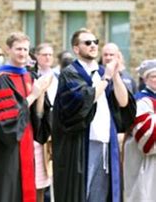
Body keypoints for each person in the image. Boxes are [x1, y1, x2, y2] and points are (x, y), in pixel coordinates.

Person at [52, 28, 136, 202]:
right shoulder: (70, 73)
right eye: (87, 43)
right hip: (83, 142)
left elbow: (123, 102)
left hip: (106, 142)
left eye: (95, 42)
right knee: (83, 193)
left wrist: (116, 75)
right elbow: (83, 101)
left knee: (101, 195)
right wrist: (106, 78)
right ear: (76, 48)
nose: (93, 46)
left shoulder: (101, 71)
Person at [0, 32, 52, 202]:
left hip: (27, 145)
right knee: (7, 193)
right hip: (7, 150)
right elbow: (5, 124)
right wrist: (33, 95)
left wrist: (41, 94)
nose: (22, 53)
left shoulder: (29, 76)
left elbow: (38, 118)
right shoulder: (1, 79)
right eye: (18, 49)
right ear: (8, 50)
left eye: (25, 49)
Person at [124, 59, 156, 201]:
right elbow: (146, 136)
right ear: (145, 79)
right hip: (143, 156)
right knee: (143, 191)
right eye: (153, 76)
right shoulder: (141, 100)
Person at [34, 43, 57, 202]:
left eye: (50, 54)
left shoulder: (59, 76)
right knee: (41, 171)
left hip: (56, 122)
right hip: (40, 126)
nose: (47, 57)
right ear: (36, 56)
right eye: (44, 54)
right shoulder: (32, 76)